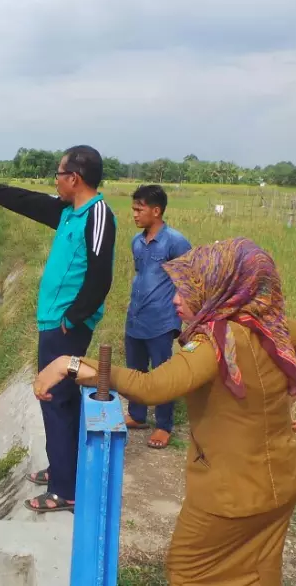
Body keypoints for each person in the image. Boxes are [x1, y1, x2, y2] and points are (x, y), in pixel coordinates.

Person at [32, 237, 296, 582]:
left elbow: (152, 387)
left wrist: (71, 364)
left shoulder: (217, 341)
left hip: (231, 493)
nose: (174, 299)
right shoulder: (263, 325)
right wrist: (281, 400)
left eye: (187, 290)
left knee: (188, 570)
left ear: (220, 289)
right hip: (283, 480)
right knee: (258, 569)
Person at [0, 145, 117, 513]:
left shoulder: (97, 214)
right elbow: (25, 201)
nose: (54, 181)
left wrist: (73, 319)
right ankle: (62, 469)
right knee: (57, 401)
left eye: (58, 174)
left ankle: (64, 491)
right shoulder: (70, 212)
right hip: (54, 322)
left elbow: (101, 278)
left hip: (66, 326)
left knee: (56, 400)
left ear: (75, 178)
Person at [124, 184, 192, 448]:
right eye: (133, 209)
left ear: (156, 210)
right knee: (136, 371)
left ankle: (164, 425)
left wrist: (183, 317)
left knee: (163, 375)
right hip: (136, 317)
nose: (135, 215)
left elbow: (189, 279)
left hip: (162, 321)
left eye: (139, 209)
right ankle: (137, 414)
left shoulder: (175, 241)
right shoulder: (137, 242)